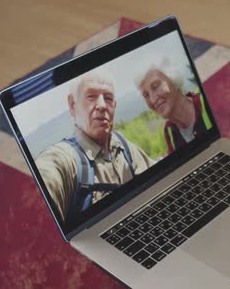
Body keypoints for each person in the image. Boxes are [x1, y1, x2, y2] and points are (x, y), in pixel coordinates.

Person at [36, 71, 154, 223]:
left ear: (115, 106)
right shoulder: (63, 159)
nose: (102, 105)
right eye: (91, 96)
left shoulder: (123, 147)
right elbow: (46, 177)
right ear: (73, 105)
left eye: (108, 98)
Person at [134, 58, 212, 153]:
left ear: (174, 81)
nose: (153, 100)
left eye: (155, 86)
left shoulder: (207, 103)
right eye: (146, 95)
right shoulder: (170, 131)